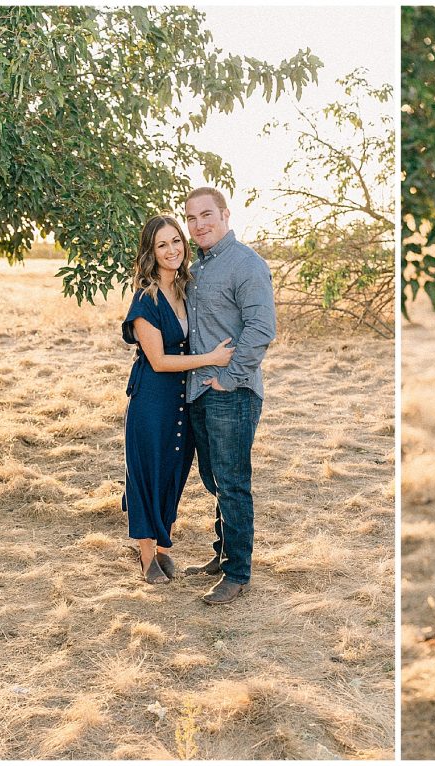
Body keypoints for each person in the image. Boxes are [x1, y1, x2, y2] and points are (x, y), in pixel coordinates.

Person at [121, 214, 234, 584]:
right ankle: (146, 554)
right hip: (152, 398)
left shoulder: (186, 288)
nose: (172, 250)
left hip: (183, 399)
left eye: (176, 241)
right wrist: (212, 360)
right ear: (151, 253)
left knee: (174, 470)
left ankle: (165, 548)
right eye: (162, 245)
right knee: (148, 472)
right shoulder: (146, 299)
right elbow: (159, 360)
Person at [180, 188, 276, 606]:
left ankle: (238, 573)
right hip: (198, 391)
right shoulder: (195, 269)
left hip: (231, 394)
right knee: (213, 480)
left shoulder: (247, 264)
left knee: (233, 483)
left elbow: (261, 329)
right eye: (191, 218)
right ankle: (222, 555)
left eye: (206, 215)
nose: (198, 224)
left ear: (225, 215)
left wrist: (230, 378)